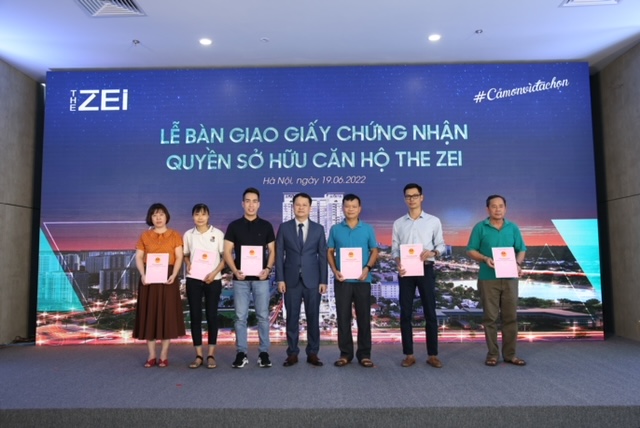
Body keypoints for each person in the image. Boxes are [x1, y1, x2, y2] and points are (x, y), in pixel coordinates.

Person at [466, 194, 527, 367]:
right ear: (488, 209)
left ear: (505, 208)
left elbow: (521, 249)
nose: (497, 209)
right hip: (488, 279)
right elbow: (470, 250)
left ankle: (510, 355)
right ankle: (492, 355)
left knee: (510, 318)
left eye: (501, 206)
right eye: (494, 206)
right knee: (490, 319)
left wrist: (518, 264)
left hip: (510, 279)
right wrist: (485, 259)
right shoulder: (480, 227)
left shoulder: (513, 227)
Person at [391, 183, 446, 369]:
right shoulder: (398, 223)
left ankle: (433, 355)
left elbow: (441, 245)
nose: (411, 199)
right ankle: (409, 355)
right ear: (404, 199)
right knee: (405, 313)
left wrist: (432, 253)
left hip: (426, 268)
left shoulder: (433, 221)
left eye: (415, 196)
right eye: (408, 196)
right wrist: (398, 261)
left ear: (422, 197)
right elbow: (394, 249)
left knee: (430, 312)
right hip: (406, 271)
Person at [223, 187, 276, 368]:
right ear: (242, 204)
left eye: (254, 201)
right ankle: (241, 353)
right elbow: (227, 252)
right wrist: (234, 270)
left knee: (263, 316)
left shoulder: (266, 226)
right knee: (240, 317)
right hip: (240, 279)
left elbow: (273, 251)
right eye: (247, 201)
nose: (251, 205)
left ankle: (264, 353)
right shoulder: (234, 226)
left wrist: (268, 269)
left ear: (259, 204)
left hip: (261, 278)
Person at [276, 193, 328, 367]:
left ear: (310, 208)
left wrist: (323, 281)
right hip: (290, 281)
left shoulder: (318, 229)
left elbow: (322, 256)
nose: (301, 207)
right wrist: (280, 279)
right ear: (293, 207)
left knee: (313, 318)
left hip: (313, 280)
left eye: (304, 205)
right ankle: (292, 353)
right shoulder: (284, 228)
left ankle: (313, 353)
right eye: (297, 204)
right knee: (292, 318)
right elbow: (279, 255)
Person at [327, 194, 378, 368]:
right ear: (343, 208)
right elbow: (329, 251)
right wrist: (335, 270)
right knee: (343, 318)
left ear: (359, 208)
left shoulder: (368, 229)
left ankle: (364, 354)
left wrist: (367, 268)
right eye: (347, 206)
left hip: (363, 280)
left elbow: (374, 251)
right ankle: (345, 354)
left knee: (364, 318)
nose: (350, 209)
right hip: (342, 280)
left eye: (354, 206)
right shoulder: (335, 229)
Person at [133, 203, 185, 368]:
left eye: (161, 214)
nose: (158, 218)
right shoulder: (145, 236)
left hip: (168, 278)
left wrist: (174, 275)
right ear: (150, 218)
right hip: (149, 278)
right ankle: (151, 355)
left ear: (166, 216)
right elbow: (139, 257)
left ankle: (163, 355)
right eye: (154, 215)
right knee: (150, 315)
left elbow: (179, 257)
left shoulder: (175, 235)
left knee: (166, 315)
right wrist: (143, 275)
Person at [183, 203, 225, 369]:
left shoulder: (218, 234)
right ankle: (199, 355)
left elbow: (225, 258)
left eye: (203, 214)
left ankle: (211, 354)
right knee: (195, 316)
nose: (200, 217)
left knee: (212, 316)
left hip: (213, 279)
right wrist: (188, 263)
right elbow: (186, 255)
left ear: (209, 216)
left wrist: (214, 273)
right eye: (197, 214)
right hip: (193, 279)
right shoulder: (188, 235)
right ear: (193, 216)